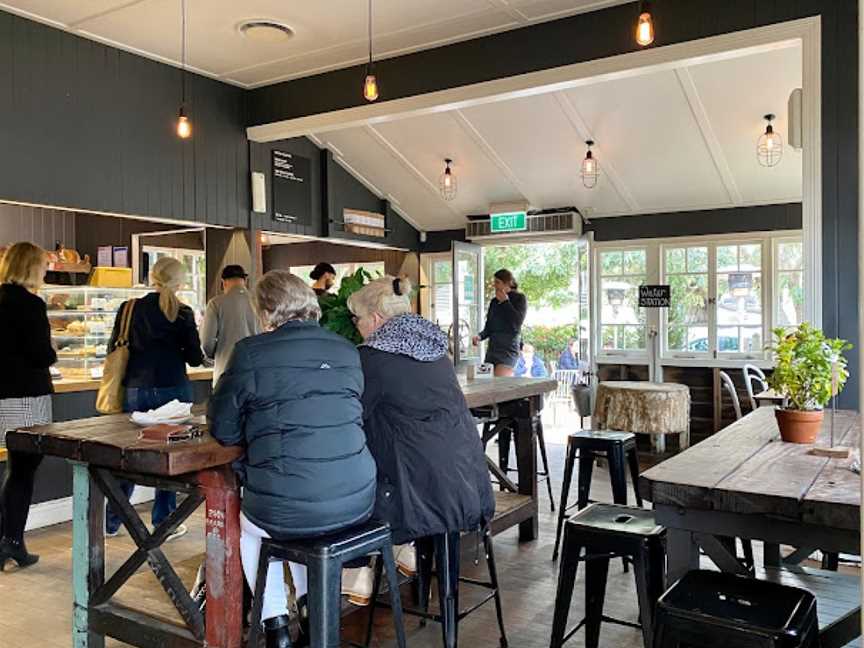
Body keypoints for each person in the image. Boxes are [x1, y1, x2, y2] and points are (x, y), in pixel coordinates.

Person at [209, 270, 376, 648]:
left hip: (293, 503)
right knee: (301, 512)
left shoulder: (251, 352)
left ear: (265, 311)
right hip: (356, 496)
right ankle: (310, 610)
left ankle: (275, 627)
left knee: (256, 527)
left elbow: (224, 428)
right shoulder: (347, 350)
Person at [345, 276, 495, 605]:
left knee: (343, 487)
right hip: (468, 486)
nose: (356, 328)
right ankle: (405, 549)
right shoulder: (436, 352)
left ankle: (360, 567)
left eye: (355, 320)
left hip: (418, 498)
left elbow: (349, 416)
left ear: (375, 319)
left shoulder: (372, 358)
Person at [105, 257, 204, 540]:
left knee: (128, 455)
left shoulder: (129, 308)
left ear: (152, 277)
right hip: (173, 391)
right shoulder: (183, 313)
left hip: (135, 389)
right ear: (179, 282)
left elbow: (113, 345)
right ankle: (164, 521)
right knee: (169, 456)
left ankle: (113, 520)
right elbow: (195, 359)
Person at [0, 242, 54, 569]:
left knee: (12, 469)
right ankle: (13, 542)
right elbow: (40, 354)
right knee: (24, 470)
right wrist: (52, 352)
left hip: (1, 394)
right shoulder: (31, 305)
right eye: (43, 265)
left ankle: (5, 540)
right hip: (26, 396)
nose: (46, 270)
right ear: (31, 267)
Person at [200, 264, 260, 384]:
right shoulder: (259, 302)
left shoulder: (216, 304)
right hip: (255, 371)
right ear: (245, 280)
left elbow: (206, 343)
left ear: (223, 282)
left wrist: (215, 354)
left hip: (226, 371)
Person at [472, 269, 528, 376]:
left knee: (500, 383)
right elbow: (489, 327)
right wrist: (479, 336)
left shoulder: (520, 299)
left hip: (508, 350)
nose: (495, 286)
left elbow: (516, 323)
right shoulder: (493, 302)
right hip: (492, 350)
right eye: (494, 282)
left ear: (508, 283)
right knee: (485, 383)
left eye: (497, 282)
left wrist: (505, 302)